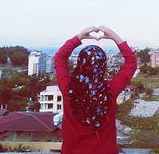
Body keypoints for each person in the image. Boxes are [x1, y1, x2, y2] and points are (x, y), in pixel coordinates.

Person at [54, 25, 137, 154]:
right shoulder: (110, 89)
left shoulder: (67, 88)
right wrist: (114, 36)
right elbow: (131, 62)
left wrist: (79, 36)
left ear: (80, 63)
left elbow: (60, 57)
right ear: (103, 66)